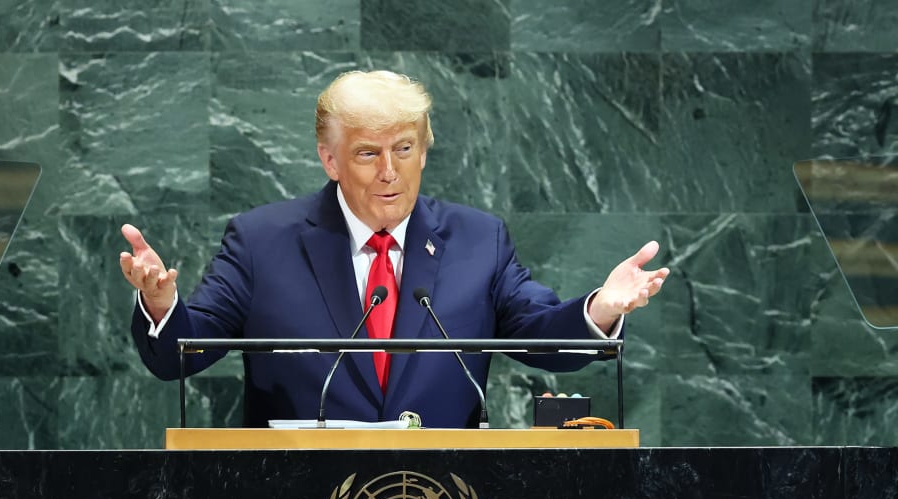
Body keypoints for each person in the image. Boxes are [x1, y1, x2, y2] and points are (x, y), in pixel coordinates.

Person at [120, 70, 668, 428]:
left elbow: (540, 337)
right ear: (330, 161)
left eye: (404, 148)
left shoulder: (480, 241)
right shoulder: (261, 241)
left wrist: (600, 311)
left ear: (424, 151)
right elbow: (181, 355)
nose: (389, 172)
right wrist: (163, 309)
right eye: (366, 154)